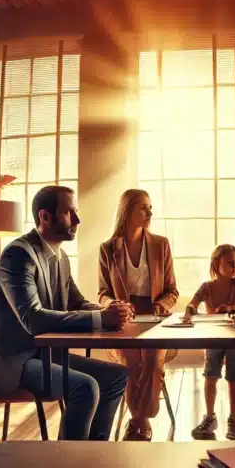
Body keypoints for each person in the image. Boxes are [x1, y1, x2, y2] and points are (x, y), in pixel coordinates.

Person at [0, 185, 132, 441]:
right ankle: (66, 466)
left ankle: (90, 458)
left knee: (116, 377)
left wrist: (110, 309)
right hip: (11, 362)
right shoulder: (16, 256)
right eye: (69, 213)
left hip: (43, 355)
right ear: (45, 217)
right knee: (86, 388)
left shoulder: (60, 258)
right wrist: (102, 319)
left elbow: (77, 303)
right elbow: (34, 319)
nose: (78, 220)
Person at [97, 189, 179, 441]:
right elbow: (102, 294)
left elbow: (172, 291)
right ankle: (141, 420)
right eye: (144, 207)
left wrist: (161, 306)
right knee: (131, 362)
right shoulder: (108, 249)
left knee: (153, 361)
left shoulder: (160, 245)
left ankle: (138, 421)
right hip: (124, 322)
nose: (150, 212)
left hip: (156, 321)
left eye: (150, 207)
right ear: (127, 211)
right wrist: (115, 305)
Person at [184, 244, 235, 441]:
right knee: (210, 376)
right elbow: (193, 303)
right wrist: (190, 309)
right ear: (216, 264)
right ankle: (210, 417)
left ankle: (234, 420)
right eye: (229, 263)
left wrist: (232, 307)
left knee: (234, 378)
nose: (234, 267)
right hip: (213, 336)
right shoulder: (206, 287)